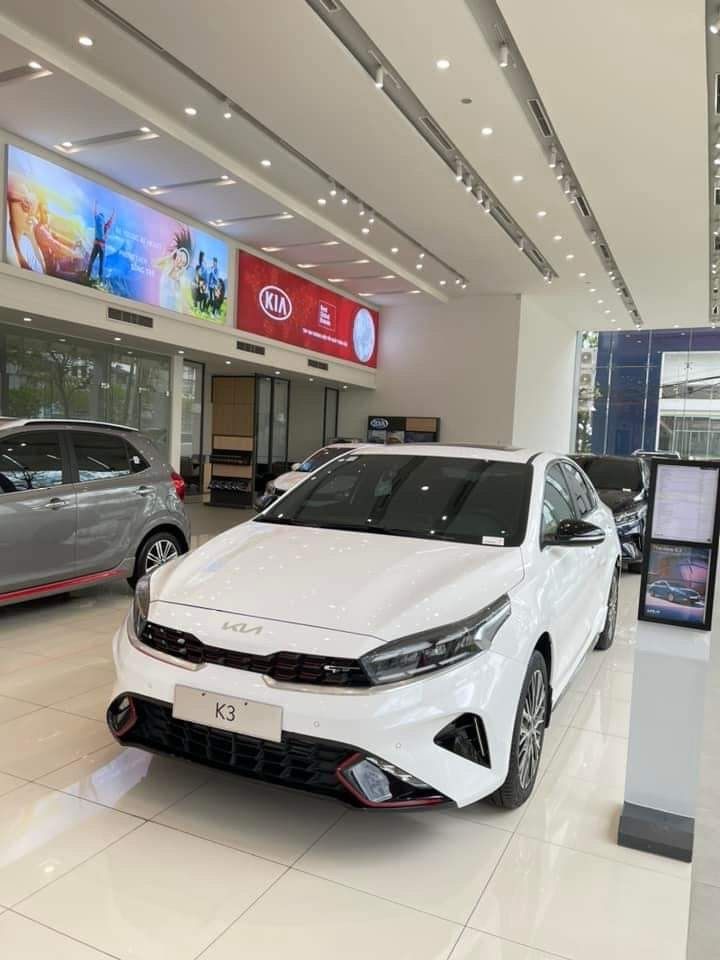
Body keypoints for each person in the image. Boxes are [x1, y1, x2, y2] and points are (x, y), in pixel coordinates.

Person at [6, 174, 44, 272]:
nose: (31, 213)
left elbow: (43, 271)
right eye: (25, 204)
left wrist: (31, 235)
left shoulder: (26, 242)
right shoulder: (7, 245)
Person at [86, 200, 115, 282]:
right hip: (102, 246)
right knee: (101, 263)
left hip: (96, 244)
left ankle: (88, 276)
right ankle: (100, 279)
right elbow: (111, 220)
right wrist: (113, 212)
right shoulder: (106, 226)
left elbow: (94, 213)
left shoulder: (97, 220)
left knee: (91, 260)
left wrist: (96, 204)